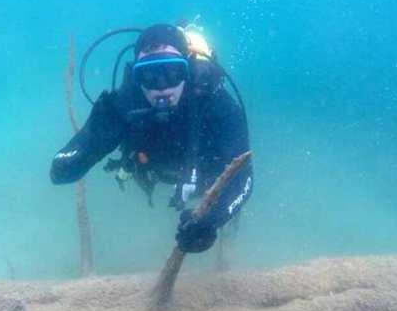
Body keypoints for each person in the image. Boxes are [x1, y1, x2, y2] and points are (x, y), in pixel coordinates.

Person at [50, 23, 253, 254]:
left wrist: (211, 220)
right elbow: (60, 172)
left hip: (206, 176)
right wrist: (87, 144)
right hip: (152, 168)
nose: (162, 86)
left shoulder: (217, 105)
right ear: (136, 76)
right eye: (148, 74)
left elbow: (244, 179)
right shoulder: (123, 105)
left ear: (188, 71)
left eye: (173, 72)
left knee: (228, 217)